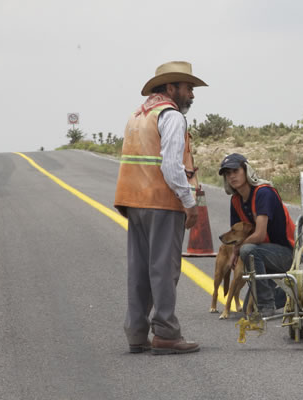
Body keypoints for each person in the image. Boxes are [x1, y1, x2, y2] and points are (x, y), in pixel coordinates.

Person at [114, 61, 205, 355]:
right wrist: (189, 203)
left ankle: (137, 333)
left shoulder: (137, 116)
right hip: (162, 202)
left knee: (139, 270)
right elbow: (171, 165)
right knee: (164, 269)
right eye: (188, 88)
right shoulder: (171, 116)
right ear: (170, 88)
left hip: (133, 201)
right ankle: (166, 332)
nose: (191, 94)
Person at [219, 153, 296, 317]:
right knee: (248, 307)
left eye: (235, 171)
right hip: (262, 254)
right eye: (227, 173)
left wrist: (239, 249)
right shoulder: (236, 200)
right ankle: (293, 293)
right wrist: (234, 252)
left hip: (285, 254)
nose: (231, 176)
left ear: (246, 171)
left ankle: (266, 304)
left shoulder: (263, 193)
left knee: (248, 250)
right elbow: (236, 236)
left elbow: (259, 235)